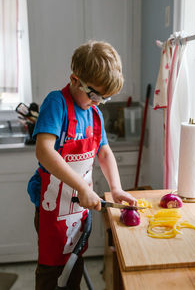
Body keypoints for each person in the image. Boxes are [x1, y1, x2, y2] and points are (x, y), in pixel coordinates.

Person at [27, 40, 138, 290]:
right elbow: (44, 151)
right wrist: (83, 188)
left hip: (78, 208)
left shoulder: (94, 114)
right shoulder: (57, 104)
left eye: (105, 98)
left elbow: (105, 153)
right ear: (75, 79)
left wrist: (116, 189)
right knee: (53, 272)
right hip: (52, 207)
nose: (98, 102)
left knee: (73, 268)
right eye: (95, 95)